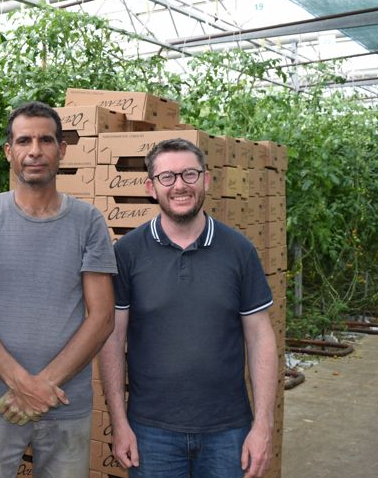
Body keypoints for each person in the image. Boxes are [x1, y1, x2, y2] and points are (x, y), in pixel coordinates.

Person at [0, 101, 117, 477]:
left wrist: (43, 386)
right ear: (9, 151)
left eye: (46, 140)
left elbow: (102, 317)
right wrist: (22, 383)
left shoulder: (88, 221)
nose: (35, 151)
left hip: (65, 404)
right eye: (24, 141)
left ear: (62, 149)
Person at [98, 137, 277, 478]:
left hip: (229, 430)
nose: (179, 186)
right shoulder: (128, 253)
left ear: (206, 180)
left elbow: (260, 337)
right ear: (152, 188)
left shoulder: (239, 250)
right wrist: (119, 422)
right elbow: (111, 339)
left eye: (189, 175)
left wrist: (263, 424)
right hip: (151, 432)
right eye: (168, 177)